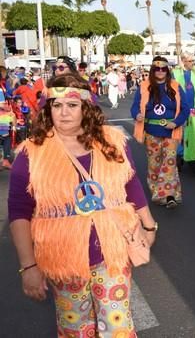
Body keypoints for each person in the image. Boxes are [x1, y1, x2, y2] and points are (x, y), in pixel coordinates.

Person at [8, 74, 157, 336]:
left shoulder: (112, 142)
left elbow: (131, 185)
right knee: (75, 329)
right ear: (48, 109)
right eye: (57, 105)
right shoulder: (31, 153)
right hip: (62, 258)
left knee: (118, 327)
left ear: (85, 107)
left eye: (72, 105)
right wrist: (28, 266)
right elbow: (19, 213)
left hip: (113, 252)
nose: (64, 112)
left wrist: (148, 224)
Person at [131, 56, 190, 208]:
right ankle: (165, 193)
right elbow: (135, 107)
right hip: (151, 132)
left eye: (163, 68)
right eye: (157, 69)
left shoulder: (175, 86)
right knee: (154, 164)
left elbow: (185, 109)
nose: (160, 71)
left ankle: (167, 196)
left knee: (169, 163)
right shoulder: (144, 86)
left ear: (167, 70)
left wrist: (175, 123)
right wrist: (137, 115)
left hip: (171, 132)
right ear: (152, 70)